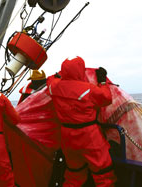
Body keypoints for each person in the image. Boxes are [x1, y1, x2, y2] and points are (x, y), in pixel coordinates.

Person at [47, 57, 116, 187]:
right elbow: (106, 98)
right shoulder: (88, 89)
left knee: (74, 174)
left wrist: (59, 75)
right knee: (103, 174)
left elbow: (50, 79)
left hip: (67, 137)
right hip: (89, 136)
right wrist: (102, 81)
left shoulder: (54, 87)